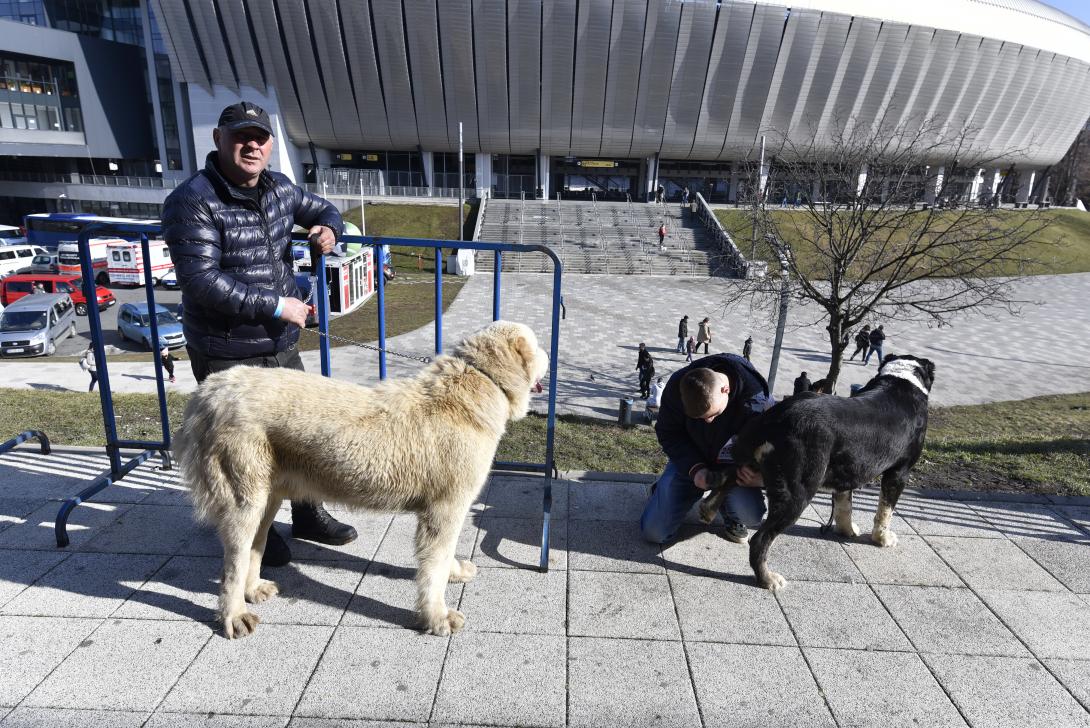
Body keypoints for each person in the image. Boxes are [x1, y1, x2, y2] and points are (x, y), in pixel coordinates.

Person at [162, 100, 358, 568]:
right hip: (226, 351)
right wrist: (276, 305)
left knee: (302, 435)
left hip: (280, 343)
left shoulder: (279, 188)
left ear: (270, 145)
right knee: (243, 453)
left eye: (260, 137)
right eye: (240, 135)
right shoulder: (192, 200)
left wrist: (327, 230)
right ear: (219, 140)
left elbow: (326, 209)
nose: (251, 144)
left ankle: (309, 515)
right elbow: (201, 280)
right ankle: (255, 532)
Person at [640, 353, 774, 544]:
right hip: (692, 458)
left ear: (725, 389)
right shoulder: (680, 385)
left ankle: (730, 513)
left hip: (734, 471)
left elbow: (777, 450)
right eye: (699, 419)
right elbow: (668, 433)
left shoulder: (758, 402)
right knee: (654, 533)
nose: (708, 421)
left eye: (712, 414)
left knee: (750, 514)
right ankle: (667, 492)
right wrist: (695, 469)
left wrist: (761, 477)